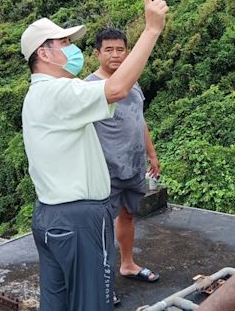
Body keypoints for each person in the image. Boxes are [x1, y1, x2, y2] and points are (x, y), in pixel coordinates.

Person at [20, 0, 168, 311]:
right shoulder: (59, 94)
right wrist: (152, 29)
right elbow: (115, 88)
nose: (72, 50)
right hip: (80, 219)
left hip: (50, 216)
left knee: (57, 303)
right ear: (43, 53)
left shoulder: (42, 95)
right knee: (92, 303)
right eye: (64, 43)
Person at [85, 28, 161, 296]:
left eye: (120, 49)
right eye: (109, 49)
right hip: (105, 171)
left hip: (134, 166)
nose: (115, 54)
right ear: (97, 53)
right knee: (101, 227)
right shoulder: (89, 87)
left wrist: (151, 154)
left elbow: (139, 119)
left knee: (128, 215)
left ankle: (127, 265)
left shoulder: (132, 82)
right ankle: (102, 282)